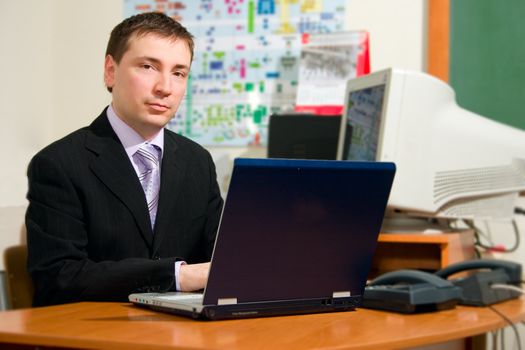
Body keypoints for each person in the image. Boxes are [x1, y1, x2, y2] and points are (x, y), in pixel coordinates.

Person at [25, 12, 223, 306]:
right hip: (97, 332)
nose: (165, 87)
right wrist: (177, 276)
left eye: (179, 73)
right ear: (110, 71)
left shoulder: (198, 162)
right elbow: (59, 277)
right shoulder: (58, 164)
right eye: (148, 67)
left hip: (185, 334)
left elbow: (224, 256)